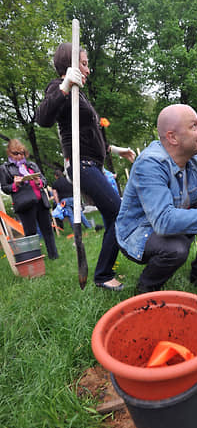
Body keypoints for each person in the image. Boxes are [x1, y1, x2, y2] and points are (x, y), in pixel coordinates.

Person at [35, 42, 135, 290]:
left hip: (92, 163)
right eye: (84, 63)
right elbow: (42, 119)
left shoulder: (81, 95)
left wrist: (114, 149)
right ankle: (102, 275)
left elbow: (89, 135)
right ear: (69, 66)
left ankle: (105, 271)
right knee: (118, 213)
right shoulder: (58, 88)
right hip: (80, 165)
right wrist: (64, 86)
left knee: (116, 213)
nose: (88, 70)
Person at [115, 104, 197, 293]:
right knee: (176, 249)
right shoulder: (150, 164)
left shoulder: (195, 164)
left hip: (170, 223)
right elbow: (163, 221)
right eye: (194, 126)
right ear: (172, 137)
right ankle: (146, 290)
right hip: (139, 234)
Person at [0, 139, 59, 259]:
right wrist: (15, 184)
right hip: (25, 204)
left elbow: (44, 180)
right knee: (31, 234)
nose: (19, 156)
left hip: (41, 202)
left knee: (48, 231)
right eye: (16, 153)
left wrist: (39, 182)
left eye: (22, 153)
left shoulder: (31, 165)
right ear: (9, 153)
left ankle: (54, 256)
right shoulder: (5, 168)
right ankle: (35, 258)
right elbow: (5, 188)